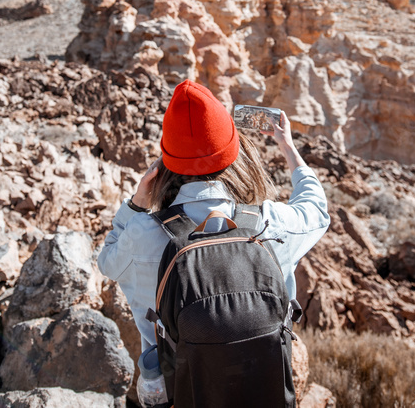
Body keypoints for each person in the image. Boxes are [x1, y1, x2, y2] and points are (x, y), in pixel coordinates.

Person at [97, 79, 331, 405]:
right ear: (234, 156)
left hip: (180, 392)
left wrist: (137, 203)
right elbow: (317, 210)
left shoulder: (143, 233)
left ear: (165, 164)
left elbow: (106, 260)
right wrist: (288, 147)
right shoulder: (268, 224)